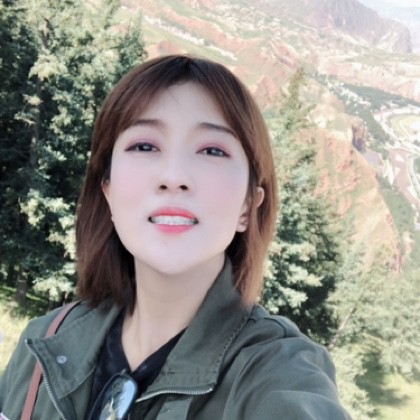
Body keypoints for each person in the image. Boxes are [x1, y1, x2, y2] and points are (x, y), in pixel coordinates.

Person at [0, 55, 351, 419]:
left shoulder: (277, 371)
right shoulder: (43, 344)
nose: (174, 176)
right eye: (145, 146)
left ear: (249, 205)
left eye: (213, 150)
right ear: (108, 191)